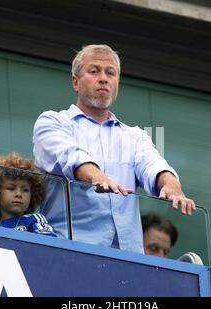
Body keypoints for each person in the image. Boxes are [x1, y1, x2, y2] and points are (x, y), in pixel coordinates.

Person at [33, 44, 195, 253]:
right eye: (94, 71)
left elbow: (151, 162)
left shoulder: (135, 135)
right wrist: (95, 175)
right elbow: (69, 155)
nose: (103, 78)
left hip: (127, 259)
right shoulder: (52, 122)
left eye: (111, 73)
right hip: (67, 250)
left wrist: (170, 182)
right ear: (75, 81)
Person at [0, 152, 56, 237]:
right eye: (11, 188)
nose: (19, 194)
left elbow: (49, 247)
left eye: (25, 190)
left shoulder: (35, 219)